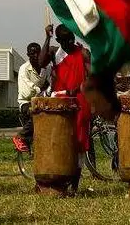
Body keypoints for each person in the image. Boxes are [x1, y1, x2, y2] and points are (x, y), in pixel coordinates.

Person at [40, 24, 92, 192]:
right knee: (59, 142)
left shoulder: (83, 53)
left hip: (79, 103)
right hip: (59, 104)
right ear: (58, 40)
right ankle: (59, 181)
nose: (71, 42)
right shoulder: (54, 52)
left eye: (72, 38)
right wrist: (47, 38)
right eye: (66, 40)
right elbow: (41, 62)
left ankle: (74, 187)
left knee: (78, 144)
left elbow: (92, 77)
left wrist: (80, 87)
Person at [13, 42, 50, 152]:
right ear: (28, 55)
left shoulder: (47, 68)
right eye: (32, 53)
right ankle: (21, 136)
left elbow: (51, 84)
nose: (36, 56)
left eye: (38, 53)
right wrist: (42, 89)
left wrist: (45, 89)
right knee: (37, 113)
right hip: (26, 103)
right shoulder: (24, 69)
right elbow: (27, 92)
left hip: (42, 102)